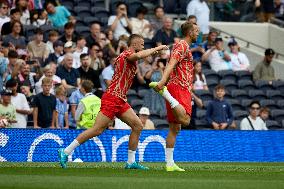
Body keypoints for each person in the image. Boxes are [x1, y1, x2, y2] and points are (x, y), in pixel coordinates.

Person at [59, 34, 168, 170]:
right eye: (141, 44)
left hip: (120, 99)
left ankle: (130, 162)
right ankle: (65, 151)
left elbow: (138, 58)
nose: (143, 46)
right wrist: (156, 48)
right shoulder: (128, 54)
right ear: (134, 45)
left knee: (138, 126)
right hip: (112, 97)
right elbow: (138, 56)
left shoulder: (129, 56)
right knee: (96, 130)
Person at [149, 22, 200, 171]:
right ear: (190, 32)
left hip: (179, 87)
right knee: (185, 120)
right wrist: (162, 81)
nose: (198, 34)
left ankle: (169, 164)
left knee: (174, 129)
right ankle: (164, 93)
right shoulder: (182, 45)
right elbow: (171, 63)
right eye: (196, 31)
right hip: (178, 87)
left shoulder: (184, 46)